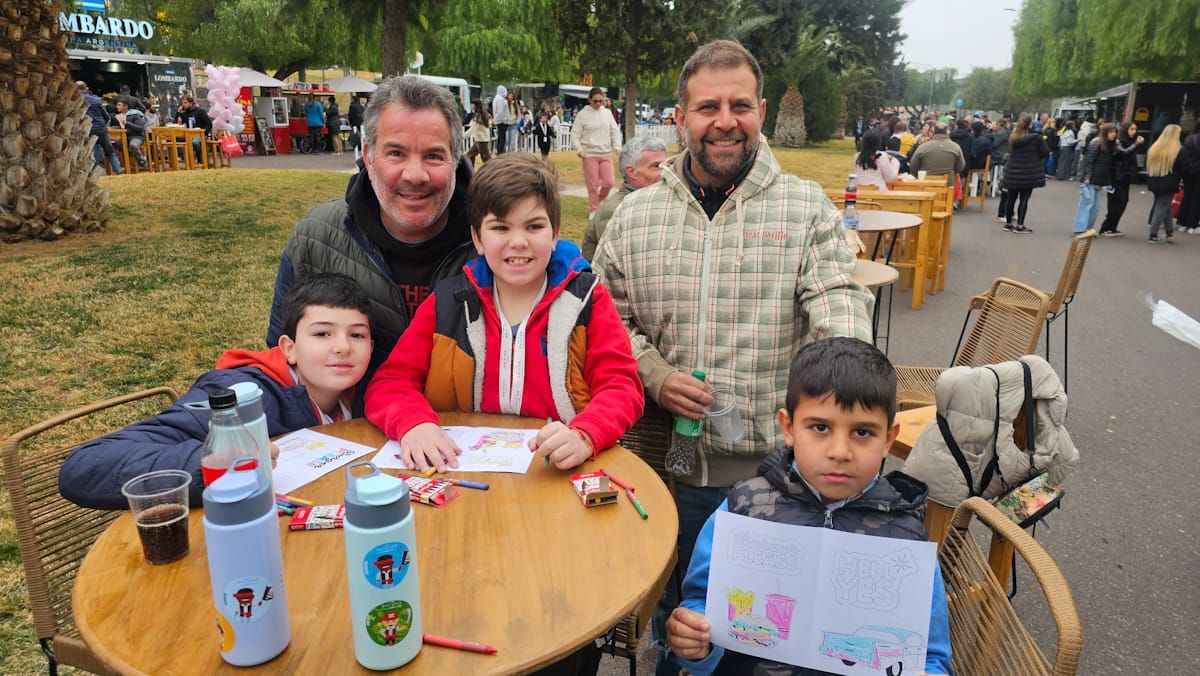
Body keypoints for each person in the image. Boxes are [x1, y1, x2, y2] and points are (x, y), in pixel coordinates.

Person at [591, 40, 873, 674]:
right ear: (682, 116)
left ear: (762, 111)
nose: (724, 121)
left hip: (779, 483)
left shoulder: (806, 210)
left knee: (768, 642)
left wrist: (842, 391)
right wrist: (656, 376)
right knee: (685, 634)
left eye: (739, 105)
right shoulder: (635, 219)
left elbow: (840, 305)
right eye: (708, 106)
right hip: (674, 477)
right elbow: (604, 321)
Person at [664, 337, 951, 675]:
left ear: (888, 438)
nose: (840, 451)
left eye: (862, 432)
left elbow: (931, 656)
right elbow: (702, 604)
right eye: (820, 427)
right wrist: (693, 642)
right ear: (788, 427)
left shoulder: (905, 541)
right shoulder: (743, 509)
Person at [365, 154, 644, 476]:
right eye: (500, 227)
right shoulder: (448, 302)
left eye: (534, 226)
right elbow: (390, 382)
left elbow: (621, 386)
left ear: (554, 234)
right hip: (463, 472)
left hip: (559, 471)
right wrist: (413, 423)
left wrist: (585, 433)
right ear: (478, 239)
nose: (518, 242)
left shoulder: (586, 298)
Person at [59, 273, 373, 510]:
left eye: (357, 335)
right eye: (322, 333)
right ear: (289, 348)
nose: (342, 347)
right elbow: (86, 466)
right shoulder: (240, 398)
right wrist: (213, 461)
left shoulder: (362, 393)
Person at [267, 76, 474, 385]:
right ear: (368, 156)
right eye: (396, 153)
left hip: (472, 429)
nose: (415, 175)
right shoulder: (316, 239)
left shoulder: (501, 245)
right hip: (352, 430)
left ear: (456, 160)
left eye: (433, 155)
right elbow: (279, 365)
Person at [581, 136, 668, 260]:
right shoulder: (616, 210)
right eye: (656, 166)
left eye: (667, 165)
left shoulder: (655, 200)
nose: (665, 172)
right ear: (632, 171)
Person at [571, 86, 623, 213]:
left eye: (601, 101)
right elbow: (575, 134)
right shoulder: (582, 115)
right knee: (593, 184)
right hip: (589, 154)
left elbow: (615, 130)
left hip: (605, 153)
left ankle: (597, 201)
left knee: (609, 182)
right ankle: (593, 209)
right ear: (589, 100)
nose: (598, 104)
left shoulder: (607, 113)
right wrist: (579, 149)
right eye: (595, 101)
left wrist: (617, 146)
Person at [999, 113, 1048, 234]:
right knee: (1024, 199)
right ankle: (1020, 225)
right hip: (1029, 172)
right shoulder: (1036, 138)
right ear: (1030, 124)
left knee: (1011, 198)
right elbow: (1045, 152)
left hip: (1012, 171)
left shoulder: (1013, 137)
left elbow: (1010, 152)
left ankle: (1008, 223)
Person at [1096, 122, 1144, 237]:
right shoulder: (1118, 142)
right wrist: (1137, 144)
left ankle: (1112, 227)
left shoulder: (1129, 142)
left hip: (1124, 177)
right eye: (1131, 129)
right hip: (1115, 178)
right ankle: (1106, 228)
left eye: (1135, 129)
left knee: (1123, 202)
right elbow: (1123, 153)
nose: (1134, 131)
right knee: (1116, 203)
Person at [1073, 123, 1118, 234]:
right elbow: (1089, 161)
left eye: (1115, 132)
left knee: (1095, 207)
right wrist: (1087, 177)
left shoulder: (1110, 145)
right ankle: (1080, 229)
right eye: (1112, 132)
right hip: (1091, 179)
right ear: (1105, 132)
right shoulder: (1097, 143)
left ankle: (1086, 228)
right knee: (1087, 204)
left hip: (1100, 180)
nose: (1114, 135)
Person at [1145, 124, 1183, 243]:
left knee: (1165, 206)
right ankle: (1153, 234)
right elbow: (1183, 168)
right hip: (1170, 182)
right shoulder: (1178, 150)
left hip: (1154, 180)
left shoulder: (1154, 148)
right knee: (1162, 207)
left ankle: (1169, 232)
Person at [78, 81, 121, 175]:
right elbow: (106, 116)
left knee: (91, 152)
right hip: (101, 129)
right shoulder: (96, 100)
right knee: (110, 152)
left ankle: (96, 174)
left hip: (87, 129)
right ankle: (118, 171)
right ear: (86, 88)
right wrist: (103, 125)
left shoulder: (76, 101)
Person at [110, 98, 147, 169]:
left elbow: (140, 128)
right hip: (125, 137)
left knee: (133, 145)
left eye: (119, 105)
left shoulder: (135, 115)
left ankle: (142, 161)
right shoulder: (117, 116)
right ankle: (126, 162)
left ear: (125, 106)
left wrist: (128, 123)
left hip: (136, 136)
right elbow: (121, 127)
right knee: (116, 144)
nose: (117, 107)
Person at [176, 95, 213, 163]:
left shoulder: (200, 111)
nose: (183, 105)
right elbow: (177, 122)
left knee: (194, 142)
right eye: (182, 103)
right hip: (189, 135)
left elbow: (209, 124)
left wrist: (203, 132)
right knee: (176, 139)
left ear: (191, 103)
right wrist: (178, 112)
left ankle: (200, 158)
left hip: (200, 134)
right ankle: (183, 157)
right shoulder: (185, 113)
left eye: (185, 103)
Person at [1177, 131, 1200, 234]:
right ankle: (1192, 225)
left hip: (1188, 171)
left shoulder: (1189, 138)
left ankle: (1182, 223)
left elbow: (1184, 154)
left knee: (1187, 197)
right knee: (1197, 199)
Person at [464, 99, 492, 167]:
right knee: (469, 156)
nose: (471, 106)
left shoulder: (479, 115)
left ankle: (494, 172)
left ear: (476, 105)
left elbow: (473, 128)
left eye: (472, 104)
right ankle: (470, 172)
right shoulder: (481, 113)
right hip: (479, 140)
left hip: (482, 141)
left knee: (487, 161)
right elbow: (472, 124)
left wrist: (462, 136)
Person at [492, 86, 511, 154]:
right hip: (502, 121)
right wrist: (504, 120)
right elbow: (501, 111)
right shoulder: (500, 99)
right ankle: (501, 151)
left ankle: (499, 151)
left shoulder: (496, 98)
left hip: (498, 120)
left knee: (500, 137)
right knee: (502, 137)